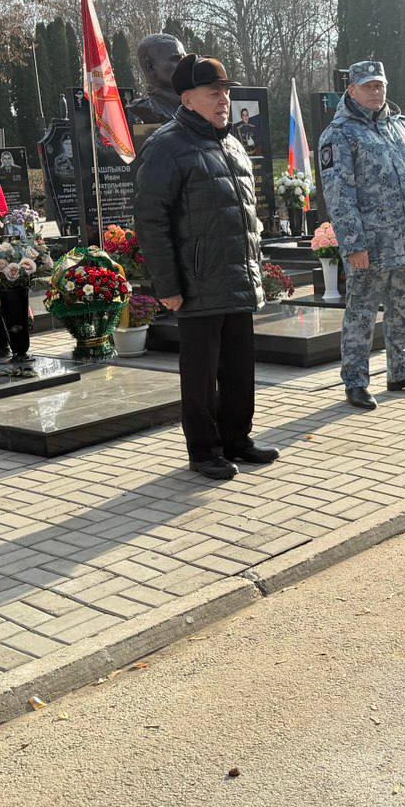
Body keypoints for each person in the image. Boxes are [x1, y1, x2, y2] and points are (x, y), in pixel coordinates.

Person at [134, 55, 277, 480]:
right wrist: (168, 285)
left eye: (227, 92)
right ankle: (203, 450)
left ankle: (237, 439)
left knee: (238, 367)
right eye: (215, 93)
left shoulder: (229, 142)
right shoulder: (166, 146)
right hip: (196, 283)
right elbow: (150, 221)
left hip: (234, 276)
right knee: (199, 375)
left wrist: (256, 267)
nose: (224, 100)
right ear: (188, 99)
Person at [318, 60, 405, 411]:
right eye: (368, 86)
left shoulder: (402, 128)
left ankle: (400, 371)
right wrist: (353, 244)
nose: (376, 91)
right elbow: (339, 196)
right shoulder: (339, 134)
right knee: (361, 312)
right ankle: (355, 381)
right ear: (351, 90)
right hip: (369, 246)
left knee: (404, 308)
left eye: (380, 85)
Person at [128, 33, 186, 125]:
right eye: (176, 59)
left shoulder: (197, 108)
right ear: (150, 66)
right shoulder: (142, 111)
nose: (186, 64)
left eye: (185, 58)